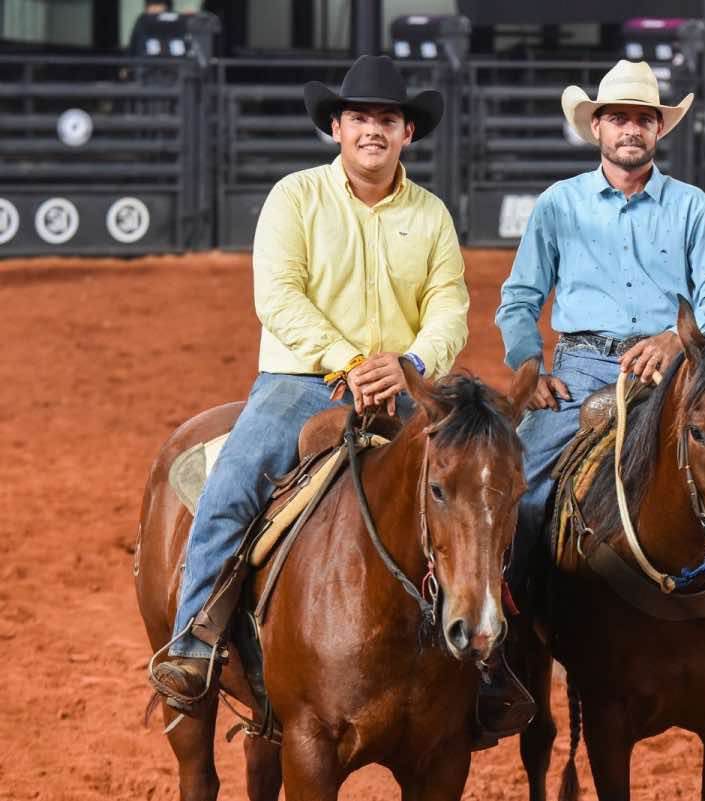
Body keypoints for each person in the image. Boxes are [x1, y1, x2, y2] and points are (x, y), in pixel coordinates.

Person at [149, 55, 475, 716]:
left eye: (388, 119)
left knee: (481, 485)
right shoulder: (295, 198)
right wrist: (349, 360)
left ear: (407, 132)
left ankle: (491, 656)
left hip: (402, 386)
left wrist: (410, 361)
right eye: (360, 118)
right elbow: (279, 296)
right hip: (304, 380)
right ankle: (194, 635)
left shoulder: (432, 215)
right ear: (337, 127)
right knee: (234, 480)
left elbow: (450, 306)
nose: (373, 130)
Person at [496, 58, 705, 604]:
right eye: (618, 118)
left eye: (643, 118)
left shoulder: (692, 208)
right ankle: (514, 636)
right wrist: (531, 369)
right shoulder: (559, 205)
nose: (630, 129)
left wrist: (671, 340)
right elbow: (520, 299)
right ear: (597, 127)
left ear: (659, 128)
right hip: (582, 369)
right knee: (515, 492)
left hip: (681, 374)